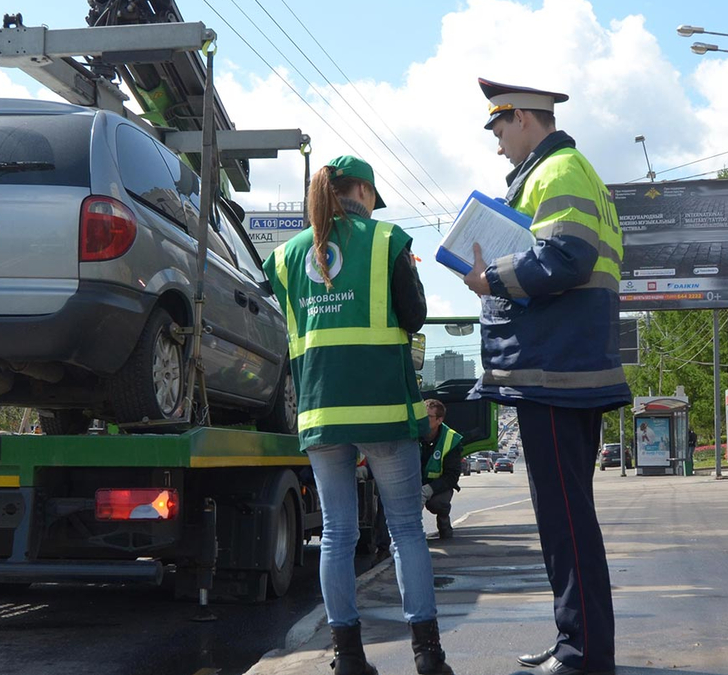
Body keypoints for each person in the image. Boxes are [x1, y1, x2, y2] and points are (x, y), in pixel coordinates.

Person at [464, 78, 629, 675]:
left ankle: (583, 654)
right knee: (566, 519)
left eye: (500, 129)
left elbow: (564, 259)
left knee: (566, 523)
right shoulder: (571, 171)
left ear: (524, 120)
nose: (498, 144)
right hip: (567, 366)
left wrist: (491, 279)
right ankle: (576, 642)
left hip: (557, 371)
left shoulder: (556, 172)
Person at [264, 155, 453, 675]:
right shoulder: (388, 241)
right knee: (406, 531)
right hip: (383, 408)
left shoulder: (285, 257)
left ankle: (347, 658)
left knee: (337, 535)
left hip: (321, 411)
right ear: (364, 192)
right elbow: (414, 317)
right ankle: (428, 655)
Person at [420, 399, 463, 540]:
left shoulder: (451, 439)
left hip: (438, 486)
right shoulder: (413, 433)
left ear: (439, 420)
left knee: (437, 503)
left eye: (428, 417)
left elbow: (452, 476)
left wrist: (428, 490)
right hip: (414, 483)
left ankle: (444, 525)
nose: (423, 420)